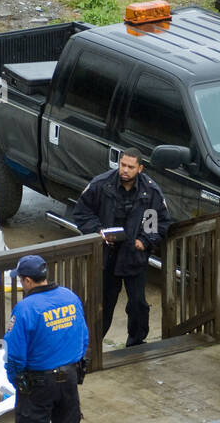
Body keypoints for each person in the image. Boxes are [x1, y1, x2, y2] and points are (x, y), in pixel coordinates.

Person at [3, 254, 88, 423]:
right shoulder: (69, 297)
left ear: (28, 281)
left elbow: (14, 353)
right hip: (69, 377)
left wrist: (16, 379)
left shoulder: (25, 309)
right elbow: (84, 335)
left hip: (38, 382)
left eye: (20, 280)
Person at [71, 148, 171, 347]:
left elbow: (158, 222)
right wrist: (99, 232)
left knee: (138, 305)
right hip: (106, 255)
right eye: (123, 165)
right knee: (101, 304)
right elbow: (82, 213)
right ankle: (89, 347)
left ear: (140, 168)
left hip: (134, 256)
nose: (125, 170)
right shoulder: (101, 184)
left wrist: (144, 241)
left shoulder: (150, 192)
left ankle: (136, 344)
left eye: (130, 167)